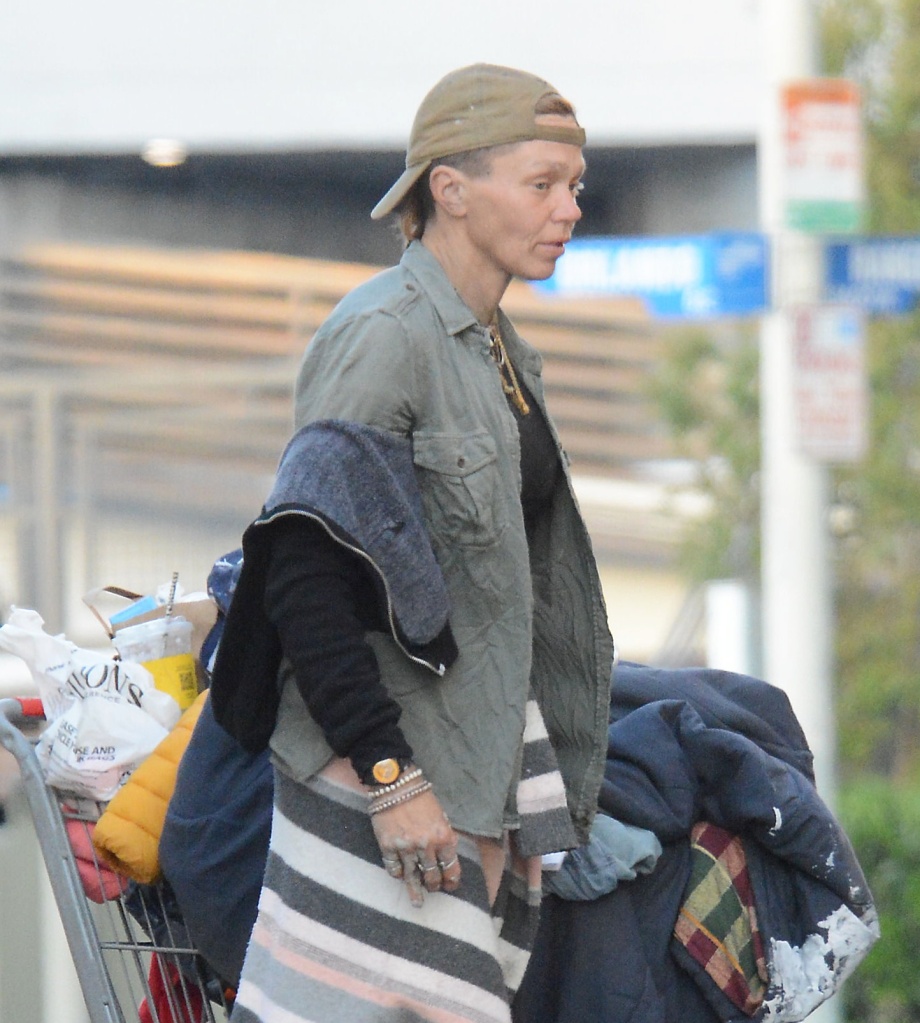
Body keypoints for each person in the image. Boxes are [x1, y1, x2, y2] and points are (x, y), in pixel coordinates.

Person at [208, 62, 614, 1023]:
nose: (568, 209)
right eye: (542, 183)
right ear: (452, 189)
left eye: (576, 188)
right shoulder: (386, 333)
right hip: (385, 776)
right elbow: (302, 572)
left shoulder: (498, 347)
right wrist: (392, 781)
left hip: (468, 772)